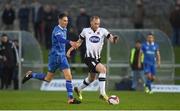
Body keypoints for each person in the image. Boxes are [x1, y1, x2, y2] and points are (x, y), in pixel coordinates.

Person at [22, 13, 81, 104]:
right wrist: (70, 42)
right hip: (54, 57)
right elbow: (59, 39)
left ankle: (70, 98)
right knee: (47, 79)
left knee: (69, 76)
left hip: (62, 57)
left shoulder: (64, 29)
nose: (66, 22)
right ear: (59, 20)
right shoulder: (56, 30)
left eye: (67, 21)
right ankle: (31, 75)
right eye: (64, 20)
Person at [67, 16, 119, 102]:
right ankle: (102, 93)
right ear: (91, 22)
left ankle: (78, 89)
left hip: (97, 58)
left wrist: (115, 39)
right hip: (88, 57)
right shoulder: (85, 31)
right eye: (95, 23)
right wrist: (70, 50)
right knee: (103, 70)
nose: (97, 25)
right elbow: (78, 43)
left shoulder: (103, 31)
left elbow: (112, 40)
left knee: (91, 78)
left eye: (98, 23)